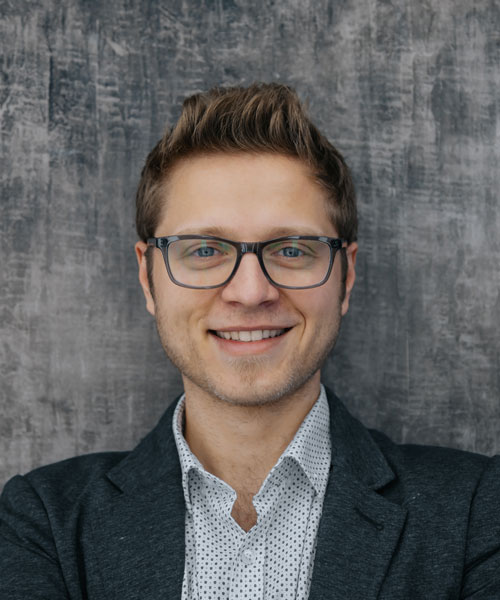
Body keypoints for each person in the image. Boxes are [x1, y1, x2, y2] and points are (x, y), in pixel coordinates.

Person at [0, 82, 499, 600]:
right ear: (149, 280)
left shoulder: (476, 512)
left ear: (345, 277)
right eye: (204, 250)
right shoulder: (43, 523)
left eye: (291, 249)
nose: (250, 292)